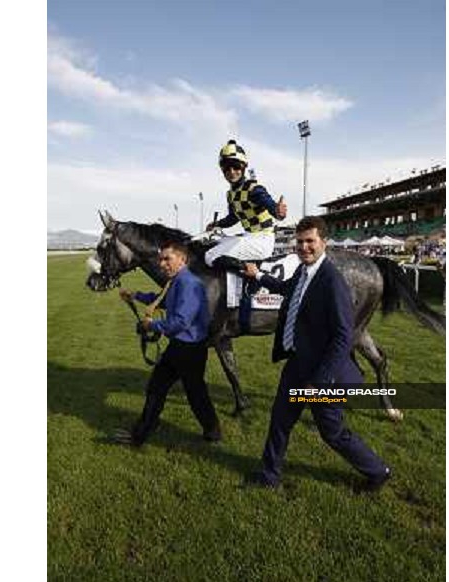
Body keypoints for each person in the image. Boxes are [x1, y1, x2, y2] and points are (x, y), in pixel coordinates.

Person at [243, 216, 391, 490]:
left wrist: (321, 377)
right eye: (299, 242)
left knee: (332, 432)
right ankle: (269, 476)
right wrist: (259, 276)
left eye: (310, 241)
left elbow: (343, 336)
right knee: (280, 420)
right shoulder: (303, 271)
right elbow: (287, 289)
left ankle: (378, 471)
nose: (304, 247)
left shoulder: (331, 281)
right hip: (299, 364)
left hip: (321, 374)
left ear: (324, 242)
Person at [114, 241, 221, 446]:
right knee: (158, 387)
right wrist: (136, 295)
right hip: (181, 347)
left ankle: (212, 430)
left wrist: (151, 325)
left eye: (167, 259)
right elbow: (161, 300)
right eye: (161, 259)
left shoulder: (188, 283)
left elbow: (181, 321)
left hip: (188, 349)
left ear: (182, 259)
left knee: (194, 393)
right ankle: (144, 430)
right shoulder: (177, 281)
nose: (162, 264)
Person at [204, 139, 287, 273]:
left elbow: (270, 205)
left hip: (262, 241)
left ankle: (251, 272)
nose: (231, 171)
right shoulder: (230, 194)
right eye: (226, 168)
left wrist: (278, 212)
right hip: (249, 237)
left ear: (243, 167)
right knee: (213, 243)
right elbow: (233, 218)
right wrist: (216, 224)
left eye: (236, 166)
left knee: (210, 256)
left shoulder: (254, 189)